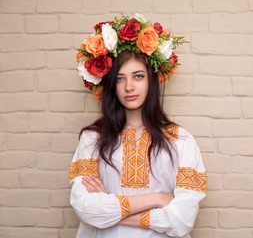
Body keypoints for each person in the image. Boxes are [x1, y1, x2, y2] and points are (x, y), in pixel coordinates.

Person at [68, 14, 207, 238]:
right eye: (120, 79)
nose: (129, 86)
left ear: (152, 80)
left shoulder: (180, 140)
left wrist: (113, 212)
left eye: (138, 76)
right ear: (111, 85)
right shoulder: (93, 138)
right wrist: (157, 199)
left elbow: (182, 220)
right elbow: (86, 209)